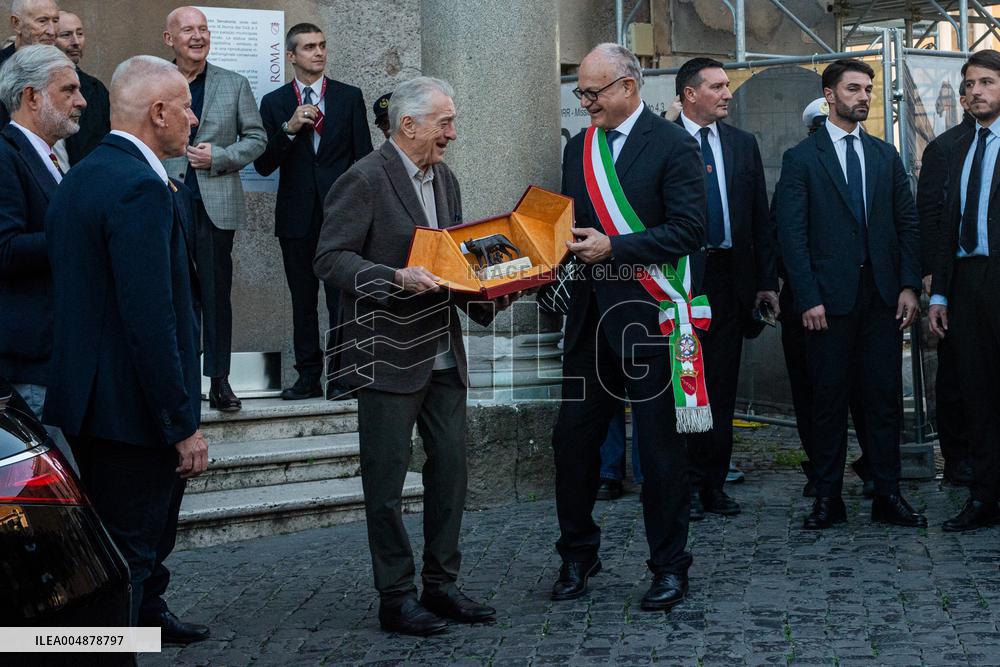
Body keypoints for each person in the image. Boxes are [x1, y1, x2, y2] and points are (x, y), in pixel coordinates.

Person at [314, 76, 502, 637]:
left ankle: (442, 585)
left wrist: (500, 283)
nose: (453, 133)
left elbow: (454, 261)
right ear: (408, 125)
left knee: (451, 473)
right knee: (386, 484)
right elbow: (330, 259)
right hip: (385, 357)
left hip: (444, 353)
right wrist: (393, 277)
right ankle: (395, 597)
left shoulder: (446, 179)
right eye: (445, 122)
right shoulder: (363, 178)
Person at [43, 55, 210, 642]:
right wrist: (180, 424)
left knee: (127, 544)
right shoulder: (140, 187)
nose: (193, 118)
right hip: (132, 413)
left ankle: (144, 620)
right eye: (186, 107)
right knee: (130, 551)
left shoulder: (82, 174)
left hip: (92, 404)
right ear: (158, 112)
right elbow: (150, 319)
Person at [551, 43, 706, 611]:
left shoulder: (673, 145)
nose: (585, 101)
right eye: (581, 92)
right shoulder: (579, 147)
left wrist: (614, 247)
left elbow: (689, 230)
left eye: (593, 92)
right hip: (590, 321)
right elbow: (568, 226)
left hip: (649, 318)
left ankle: (670, 565)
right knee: (571, 443)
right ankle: (577, 553)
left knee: (660, 453)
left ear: (628, 87)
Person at [776, 59, 925, 530]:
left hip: (881, 299)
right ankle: (827, 498)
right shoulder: (802, 158)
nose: (863, 97)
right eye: (854, 89)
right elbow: (791, 235)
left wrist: (908, 285)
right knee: (827, 402)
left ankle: (888, 494)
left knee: (883, 400)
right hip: (826, 303)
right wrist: (807, 297)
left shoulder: (884, 155)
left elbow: (907, 223)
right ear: (830, 95)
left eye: (868, 89)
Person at [674, 57, 778, 519]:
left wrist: (766, 283)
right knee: (686, 385)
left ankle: (713, 485)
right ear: (689, 94)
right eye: (717, 86)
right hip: (678, 284)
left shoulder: (741, 143)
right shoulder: (664, 142)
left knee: (720, 385)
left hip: (729, 282)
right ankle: (685, 485)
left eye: (727, 85)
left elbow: (758, 217)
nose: (727, 94)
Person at [254, 22, 372, 401]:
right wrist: (289, 129)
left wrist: (364, 215)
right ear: (291, 55)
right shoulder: (274, 103)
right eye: (308, 47)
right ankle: (307, 376)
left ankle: (341, 377)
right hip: (296, 217)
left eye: (321, 45)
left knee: (341, 300)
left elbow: (364, 160)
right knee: (302, 301)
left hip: (341, 218)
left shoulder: (349, 97)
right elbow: (263, 165)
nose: (318, 52)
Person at [162, 5, 266, 412]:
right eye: (188, 30)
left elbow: (257, 139)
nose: (198, 36)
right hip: (164, 198)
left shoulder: (233, 83)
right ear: (169, 39)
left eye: (203, 29)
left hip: (215, 203)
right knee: (172, 292)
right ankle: (181, 380)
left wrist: (219, 156)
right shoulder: (156, 81)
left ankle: (219, 381)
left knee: (215, 294)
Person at [781, 98, 875, 501]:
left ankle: (873, 465)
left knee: (867, 392)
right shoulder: (801, 164)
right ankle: (822, 472)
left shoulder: (872, 160)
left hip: (860, 299)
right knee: (815, 395)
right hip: (809, 301)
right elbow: (785, 232)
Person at [929, 50, 1000, 532]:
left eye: (987, 82)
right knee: (977, 394)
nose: (976, 91)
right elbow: (943, 225)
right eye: (970, 84)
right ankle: (985, 497)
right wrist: (939, 293)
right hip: (967, 282)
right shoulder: (957, 147)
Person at [0, 44, 83, 419]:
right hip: (30, 366)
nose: (81, 101)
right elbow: (6, 249)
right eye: (68, 90)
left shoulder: (48, 155)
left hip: (56, 358)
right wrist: (82, 238)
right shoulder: (6, 156)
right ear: (31, 97)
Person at [917, 94, 975, 488]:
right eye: (971, 85)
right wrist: (932, 274)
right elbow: (929, 216)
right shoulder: (945, 147)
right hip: (957, 277)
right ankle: (958, 458)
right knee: (956, 371)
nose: (978, 93)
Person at [53, 10, 109, 167]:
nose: (76, 42)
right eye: (66, 35)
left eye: (80, 34)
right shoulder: (35, 89)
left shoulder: (96, 89)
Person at [0, 0, 60, 127]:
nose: (52, 31)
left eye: (55, 21)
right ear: (16, 24)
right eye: (42, 21)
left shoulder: (69, 73)